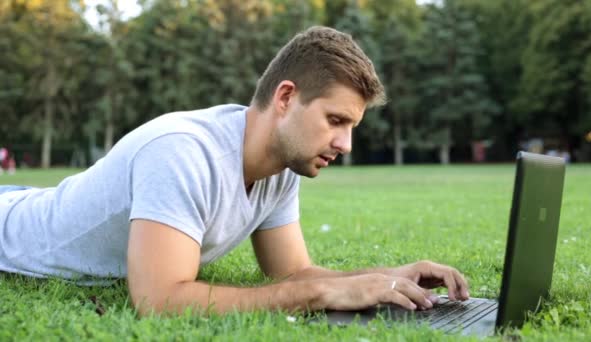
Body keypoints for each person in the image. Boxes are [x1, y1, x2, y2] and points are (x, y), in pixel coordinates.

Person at [0, 26, 469, 316]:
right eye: (336, 120)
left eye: (352, 126)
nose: (346, 144)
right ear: (285, 98)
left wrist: (389, 277)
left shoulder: (283, 164)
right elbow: (160, 301)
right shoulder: (181, 152)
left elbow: (292, 272)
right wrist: (323, 295)